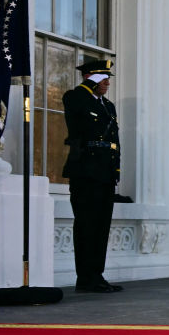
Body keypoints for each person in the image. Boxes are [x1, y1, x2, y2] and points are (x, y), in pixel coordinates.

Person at [62, 58, 124, 294]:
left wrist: (116, 171)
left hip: (105, 173)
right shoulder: (75, 97)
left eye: (108, 78)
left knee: (101, 226)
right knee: (86, 225)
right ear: (90, 78)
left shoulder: (108, 106)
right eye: (103, 78)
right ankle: (85, 277)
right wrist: (88, 84)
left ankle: (97, 274)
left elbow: (114, 142)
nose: (107, 83)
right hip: (85, 171)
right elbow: (76, 106)